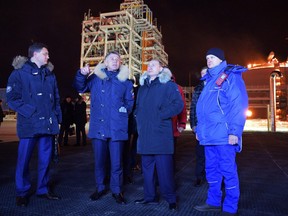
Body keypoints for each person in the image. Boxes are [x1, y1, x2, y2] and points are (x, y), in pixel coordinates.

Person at [73, 51, 134, 204]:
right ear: (105, 62)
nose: (115, 61)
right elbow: (80, 87)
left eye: (118, 59)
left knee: (117, 162)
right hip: (99, 126)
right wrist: (81, 74)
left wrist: (123, 112)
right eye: (112, 59)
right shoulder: (95, 78)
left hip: (116, 127)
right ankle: (100, 188)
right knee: (99, 161)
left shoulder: (125, 82)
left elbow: (129, 102)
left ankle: (117, 190)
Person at [6, 42, 62, 207]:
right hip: (29, 124)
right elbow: (12, 99)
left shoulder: (50, 75)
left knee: (45, 160)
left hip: (47, 125)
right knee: (24, 160)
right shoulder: (18, 74)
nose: (48, 57)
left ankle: (43, 189)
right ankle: (22, 192)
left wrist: (57, 119)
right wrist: (31, 112)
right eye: (45, 53)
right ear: (35, 54)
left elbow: (56, 99)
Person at [194, 48, 248, 216]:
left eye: (212, 57)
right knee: (211, 170)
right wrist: (199, 131)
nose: (209, 60)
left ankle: (231, 206)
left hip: (224, 136)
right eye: (207, 57)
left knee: (228, 170)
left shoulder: (231, 77)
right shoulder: (209, 80)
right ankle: (213, 201)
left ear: (221, 60)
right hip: (209, 136)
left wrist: (234, 132)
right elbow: (203, 110)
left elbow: (238, 105)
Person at [134, 59, 184, 211]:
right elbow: (137, 107)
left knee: (164, 170)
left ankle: (170, 198)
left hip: (161, 134)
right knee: (147, 170)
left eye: (153, 65)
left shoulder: (168, 85)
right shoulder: (142, 88)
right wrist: (139, 118)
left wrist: (161, 115)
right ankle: (150, 197)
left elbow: (178, 104)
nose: (149, 67)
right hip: (145, 135)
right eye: (148, 65)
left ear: (161, 69)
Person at [189, 67, 207, 187]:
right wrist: (193, 125)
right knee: (200, 154)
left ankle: (216, 178)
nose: (203, 75)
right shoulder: (198, 88)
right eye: (201, 73)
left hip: (213, 126)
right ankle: (199, 177)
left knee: (214, 154)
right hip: (201, 126)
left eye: (205, 73)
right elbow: (193, 107)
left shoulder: (217, 86)